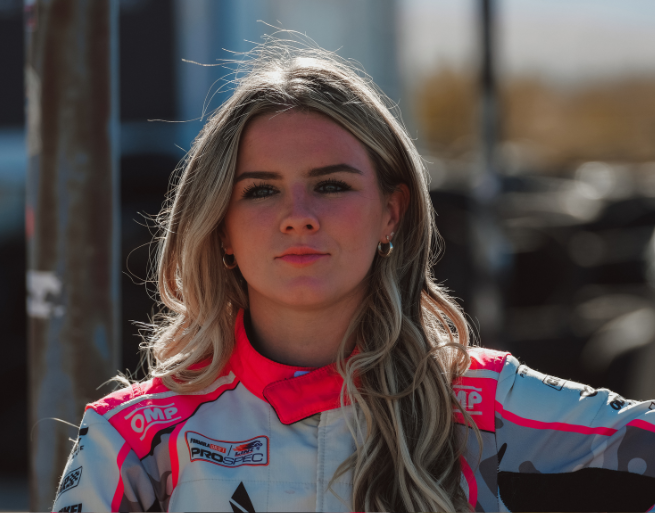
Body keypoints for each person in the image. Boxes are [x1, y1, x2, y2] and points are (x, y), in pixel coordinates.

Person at [52, 43, 655, 513]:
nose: (298, 217)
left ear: (391, 211)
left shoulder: (481, 401)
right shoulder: (133, 437)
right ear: (221, 228)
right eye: (261, 190)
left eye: (331, 185)